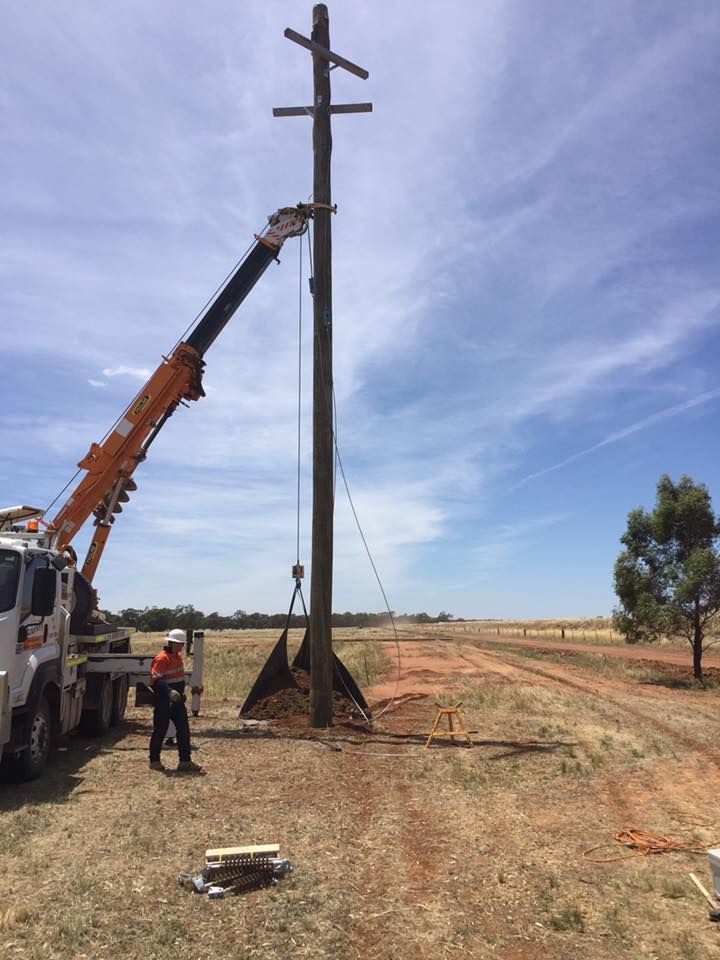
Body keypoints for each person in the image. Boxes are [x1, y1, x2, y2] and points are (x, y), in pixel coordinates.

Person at [148, 628, 202, 773]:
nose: (182, 646)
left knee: (183, 729)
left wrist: (181, 694)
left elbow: (177, 678)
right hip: (164, 701)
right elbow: (155, 680)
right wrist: (169, 691)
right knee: (160, 730)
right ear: (171, 643)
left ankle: (185, 761)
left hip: (177, 701)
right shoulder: (161, 658)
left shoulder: (177, 657)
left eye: (182, 644)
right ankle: (154, 761)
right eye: (180, 644)